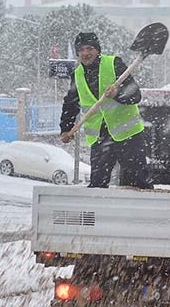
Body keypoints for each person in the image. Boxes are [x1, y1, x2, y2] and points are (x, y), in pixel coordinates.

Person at [59, 32, 152, 189]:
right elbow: (71, 103)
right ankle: (99, 213)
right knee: (97, 185)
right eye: (81, 50)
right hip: (100, 138)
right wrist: (66, 128)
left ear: (98, 50)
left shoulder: (114, 64)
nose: (86, 53)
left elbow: (135, 95)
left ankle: (144, 212)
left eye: (89, 48)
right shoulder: (77, 75)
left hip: (128, 136)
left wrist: (118, 93)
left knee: (137, 184)